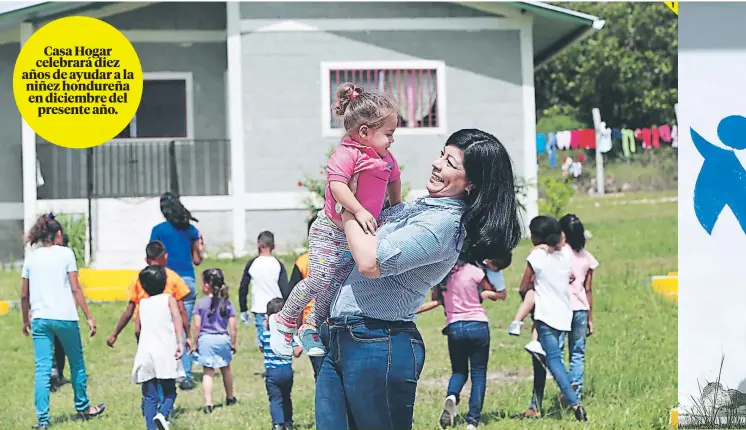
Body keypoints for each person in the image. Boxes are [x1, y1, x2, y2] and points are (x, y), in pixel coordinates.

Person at [314, 128, 523, 430]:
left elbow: (370, 262)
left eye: (451, 163)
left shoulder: (443, 225)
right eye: (442, 155)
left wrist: (347, 203)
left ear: (472, 183)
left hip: (377, 342)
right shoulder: (424, 207)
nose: (438, 164)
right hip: (342, 335)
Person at [269, 82, 402, 358]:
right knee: (318, 279)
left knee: (334, 285)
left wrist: (396, 204)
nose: (392, 140)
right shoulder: (347, 153)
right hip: (330, 231)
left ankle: (312, 326)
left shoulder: (385, 156)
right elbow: (337, 186)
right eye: (389, 133)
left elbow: (394, 178)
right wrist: (361, 210)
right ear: (365, 132)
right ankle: (283, 321)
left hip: (353, 237)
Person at [20, 214, 106, 429]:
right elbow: (75, 288)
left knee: (42, 369)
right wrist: (89, 317)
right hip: (66, 317)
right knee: (76, 363)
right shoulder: (66, 253)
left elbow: (24, 294)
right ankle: (83, 407)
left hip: (40, 318)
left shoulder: (31, 257)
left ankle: (42, 420)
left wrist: (24, 320)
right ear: (58, 234)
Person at [416, 254, 511, 429]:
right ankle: (472, 421)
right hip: (478, 325)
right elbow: (491, 291)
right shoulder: (475, 271)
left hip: (454, 328)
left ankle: (452, 396)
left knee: (459, 371)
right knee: (478, 374)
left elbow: (435, 299)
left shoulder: (443, 274)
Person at [515, 216, 588, 422]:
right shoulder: (565, 253)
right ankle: (537, 404)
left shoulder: (536, 257)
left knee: (553, 360)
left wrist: (529, 301)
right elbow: (571, 275)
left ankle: (575, 403)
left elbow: (523, 286)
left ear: (538, 237)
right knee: (543, 356)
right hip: (564, 314)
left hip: (545, 315)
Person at [150, 192, 204, 390]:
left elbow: (152, 257)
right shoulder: (191, 230)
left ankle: (165, 371)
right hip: (187, 282)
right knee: (183, 327)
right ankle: (186, 374)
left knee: (164, 329)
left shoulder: (158, 230)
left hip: (165, 282)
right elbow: (197, 260)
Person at [107, 241, 191, 347]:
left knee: (146, 358)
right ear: (165, 257)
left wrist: (115, 334)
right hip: (165, 328)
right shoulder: (174, 278)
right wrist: (188, 335)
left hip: (143, 327)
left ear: (147, 260)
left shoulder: (140, 278)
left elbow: (129, 310)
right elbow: (181, 310)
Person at [131, 265, 185, 430]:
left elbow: (137, 328)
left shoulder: (142, 303)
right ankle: (162, 414)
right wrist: (181, 342)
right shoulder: (169, 299)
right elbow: (177, 318)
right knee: (169, 392)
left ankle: (151, 427)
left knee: (149, 396)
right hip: (165, 351)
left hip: (146, 352)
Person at [193, 268, 238, 414]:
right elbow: (233, 327)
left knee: (208, 372)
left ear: (206, 285)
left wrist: (195, 342)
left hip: (206, 339)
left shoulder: (200, 304)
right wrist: (233, 343)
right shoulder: (227, 303)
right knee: (226, 369)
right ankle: (230, 397)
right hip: (222, 338)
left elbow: (197, 326)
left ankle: (208, 402)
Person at [238, 231, 289, 352]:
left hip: (260, 308)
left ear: (258, 245)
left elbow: (243, 288)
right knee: (278, 339)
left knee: (263, 341)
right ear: (274, 246)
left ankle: (270, 365)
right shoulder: (278, 264)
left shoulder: (252, 264)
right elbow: (285, 289)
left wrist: (243, 308)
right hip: (278, 308)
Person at [287, 214, 324, 379]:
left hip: (311, 325)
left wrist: (295, 332)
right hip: (337, 321)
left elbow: (295, 298)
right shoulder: (342, 257)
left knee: (320, 373)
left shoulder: (302, 261)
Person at [262, 298, 303, 430]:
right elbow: (297, 352)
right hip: (286, 371)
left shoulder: (265, 334)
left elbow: (261, 347)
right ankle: (288, 422)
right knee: (286, 397)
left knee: (275, 399)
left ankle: (277, 424)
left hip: (271, 372)